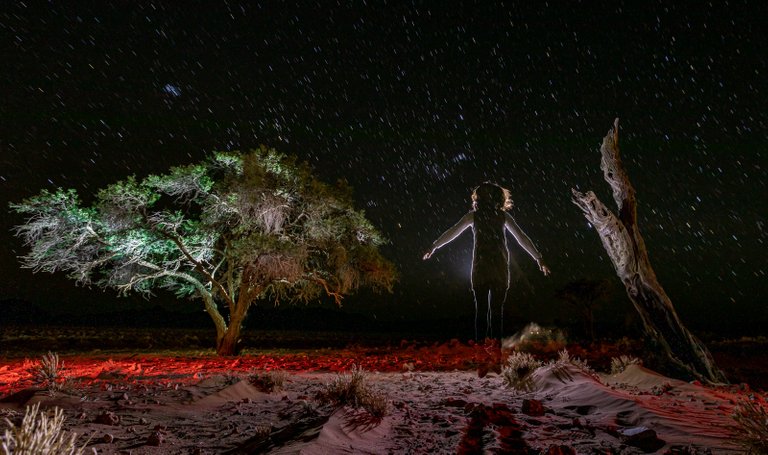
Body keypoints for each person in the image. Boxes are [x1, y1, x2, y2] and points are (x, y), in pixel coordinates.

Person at [423, 182, 550, 342]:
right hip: (485, 267)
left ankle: (491, 351)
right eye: (485, 193)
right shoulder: (476, 216)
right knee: (484, 310)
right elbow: (453, 231)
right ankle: (484, 350)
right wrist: (433, 246)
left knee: (493, 311)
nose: (487, 197)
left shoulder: (499, 216)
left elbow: (521, 238)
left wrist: (538, 258)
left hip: (494, 267)